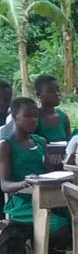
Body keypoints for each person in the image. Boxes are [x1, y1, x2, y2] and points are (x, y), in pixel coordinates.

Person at [1, 97, 69, 233]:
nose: (33, 120)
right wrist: (24, 183)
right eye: (27, 116)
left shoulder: (41, 142)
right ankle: (48, 252)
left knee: (76, 216)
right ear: (14, 117)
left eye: (36, 116)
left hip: (47, 196)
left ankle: (54, 252)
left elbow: (49, 174)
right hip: (22, 203)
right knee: (60, 225)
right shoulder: (6, 145)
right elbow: (4, 185)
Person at [33, 75, 71, 142]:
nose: (57, 93)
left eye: (58, 89)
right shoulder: (34, 117)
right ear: (38, 94)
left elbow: (69, 142)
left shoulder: (63, 117)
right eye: (51, 91)